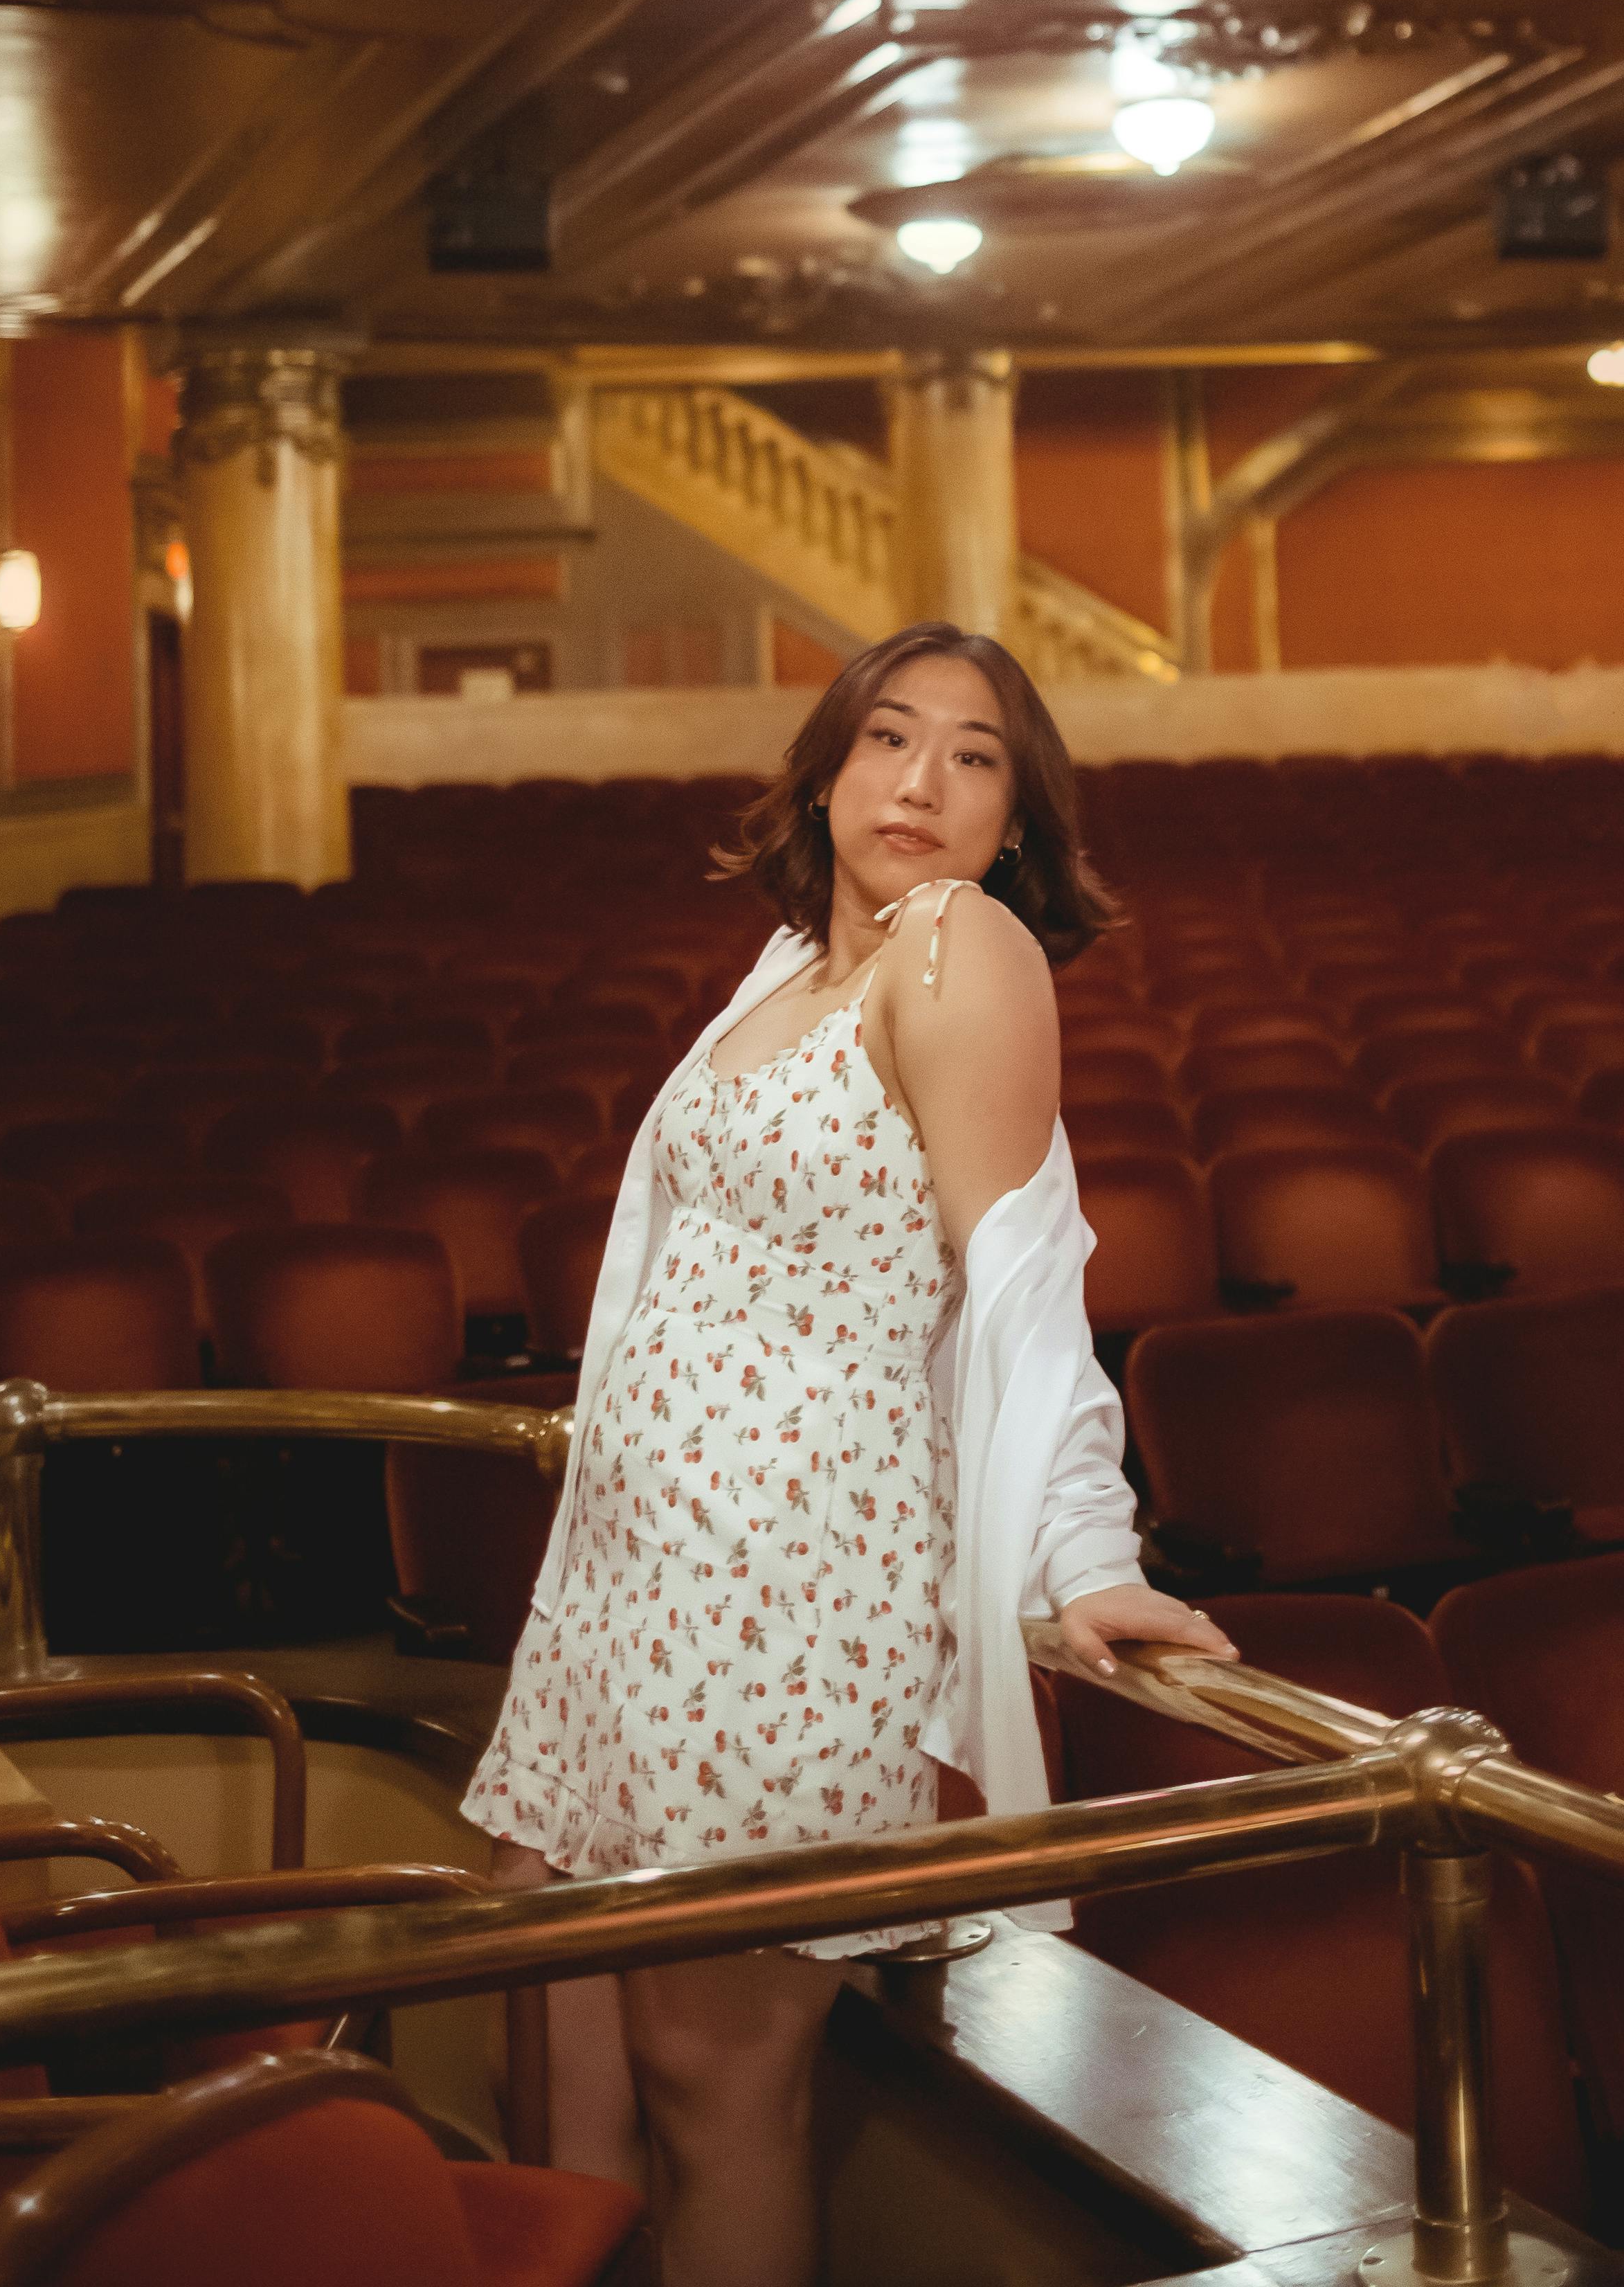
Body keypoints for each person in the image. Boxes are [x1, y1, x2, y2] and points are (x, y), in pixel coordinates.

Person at [465, 622, 1229, 2287]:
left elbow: (1027, 1279)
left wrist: (1090, 1551)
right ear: (824, 772)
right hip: (621, 1593)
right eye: (890, 736)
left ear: (1014, 822)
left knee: (710, 2077)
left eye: (975, 755)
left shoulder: (963, 948)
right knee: (557, 2049)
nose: (922, 779)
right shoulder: (790, 962)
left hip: (788, 1604)